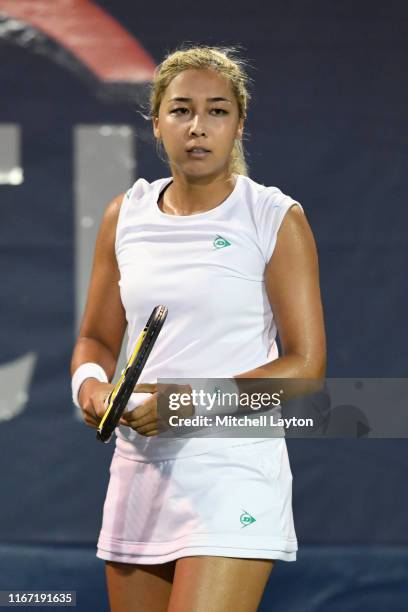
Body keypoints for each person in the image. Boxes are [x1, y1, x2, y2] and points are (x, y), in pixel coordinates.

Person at [70, 44, 326, 612]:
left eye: (217, 111)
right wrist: (89, 387)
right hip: (139, 472)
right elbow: (96, 340)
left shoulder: (274, 217)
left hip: (233, 471)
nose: (198, 127)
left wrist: (188, 405)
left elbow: (305, 370)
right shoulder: (125, 214)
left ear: (240, 127)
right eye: (181, 110)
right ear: (156, 124)